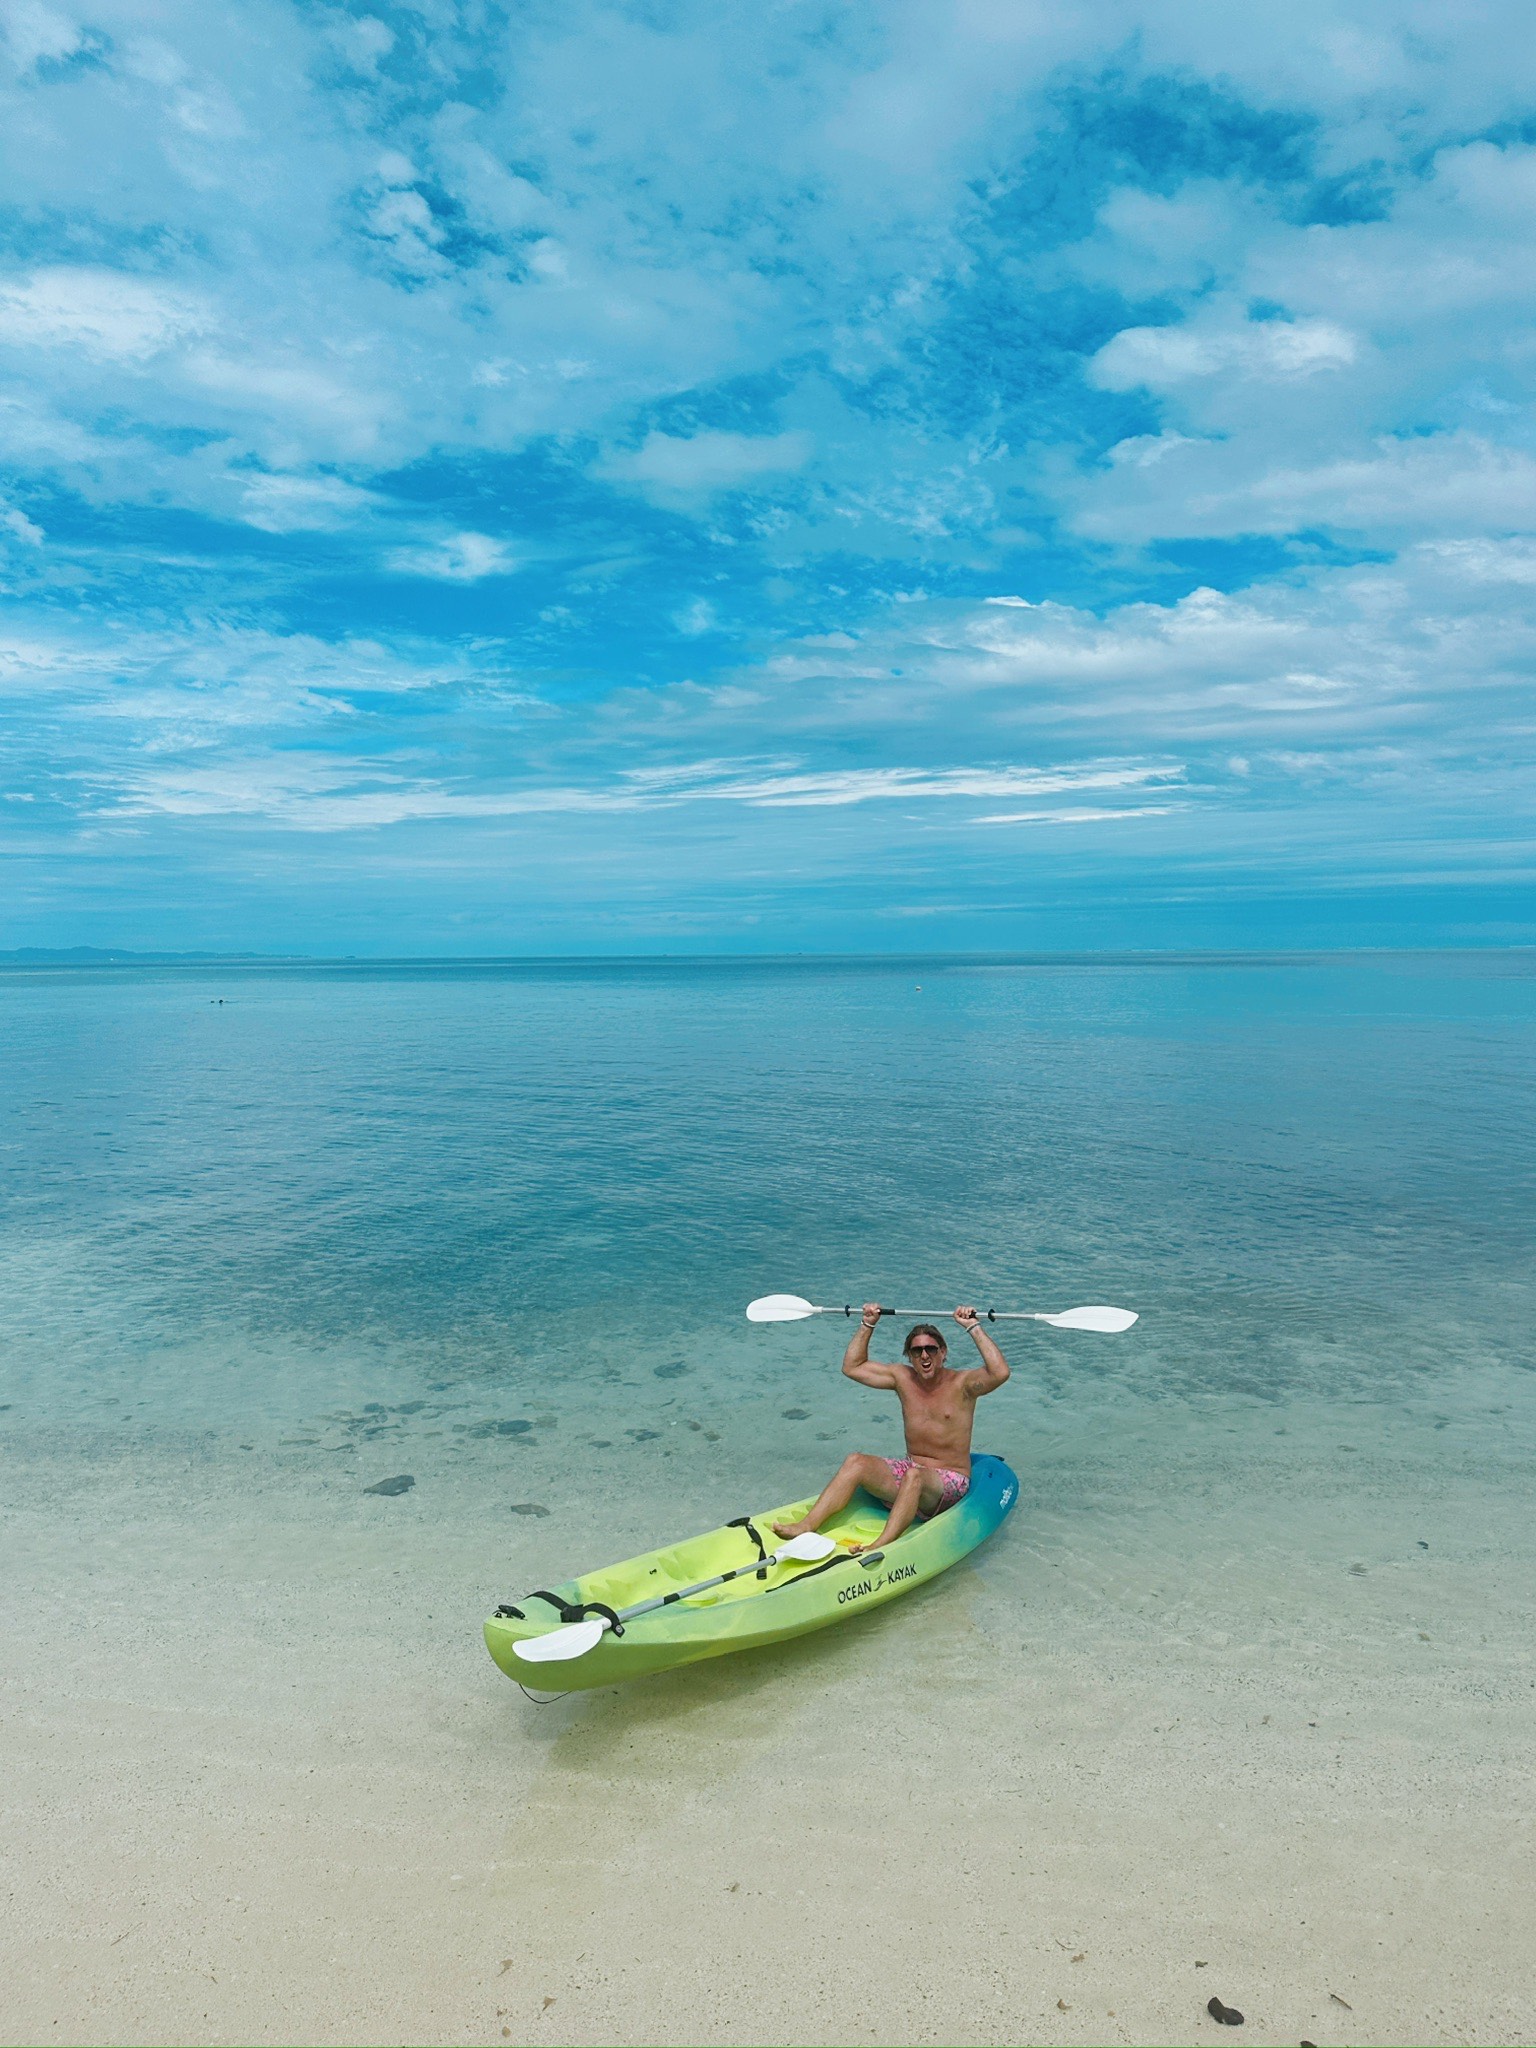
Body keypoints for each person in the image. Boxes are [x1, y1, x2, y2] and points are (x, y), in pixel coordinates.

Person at [771, 1303, 1009, 1550]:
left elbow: (1000, 1372)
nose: (924, 1356)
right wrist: (868, 1323)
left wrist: (973, 1327)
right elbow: (852, 1367)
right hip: (911, 1470)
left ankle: (880, 1545)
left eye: (930, 1349)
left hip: (949, 1480)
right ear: (910, 1357)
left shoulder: (964, 1385)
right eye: (917, 1352)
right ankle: (807, 1525)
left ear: (943, 1353)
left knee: (914, 1476)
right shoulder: (902, 1378)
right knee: (856, 1461)